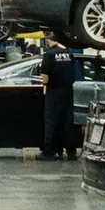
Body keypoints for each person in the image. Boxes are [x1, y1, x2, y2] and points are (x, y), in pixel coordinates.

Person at [38, 31, 80, 159]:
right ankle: (71, 152)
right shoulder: (69, 54)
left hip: (54, 92)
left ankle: (49, 152)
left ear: (49, 40)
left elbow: (45, 78)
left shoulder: (49, 54)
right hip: (68, 91)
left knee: (51, 121)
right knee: (67, 121)